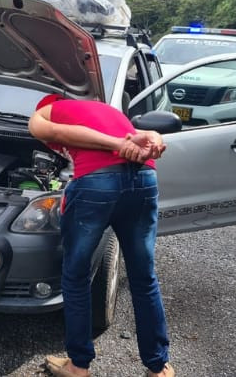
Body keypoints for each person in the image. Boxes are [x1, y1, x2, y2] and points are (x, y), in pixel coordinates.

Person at [28, 94, 174, 377]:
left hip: (97, 184)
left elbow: (55, 131)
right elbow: (146, 135)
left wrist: (118, 146)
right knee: (144, 278)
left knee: (76, 275)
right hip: (145, 179)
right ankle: (159, 368)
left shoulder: (45, 112)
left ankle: (78, 366)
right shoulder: (108, 111)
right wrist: (152, 137)